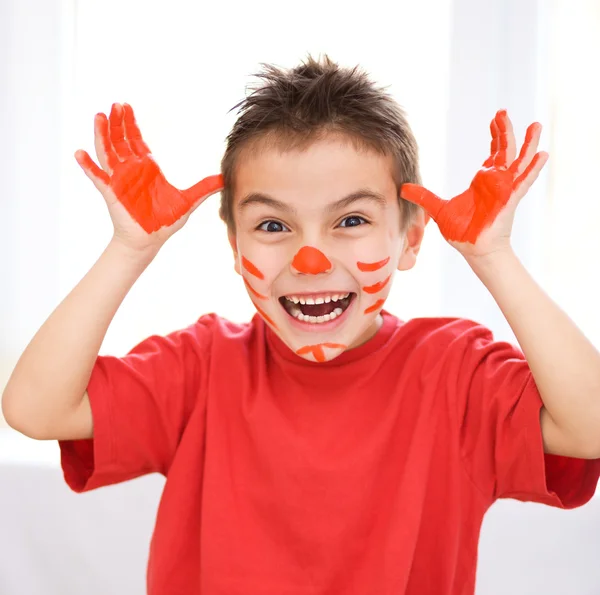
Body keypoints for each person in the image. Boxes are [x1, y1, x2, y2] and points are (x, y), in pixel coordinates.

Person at [3, 54, 600, 595]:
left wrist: (492, 256)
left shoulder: (453, 372)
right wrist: (128, 250)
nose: (309, 260)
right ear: (235, 248)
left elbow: (589, 426)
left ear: (410, 239)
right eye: (272, 226)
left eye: (350, 221)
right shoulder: (201, 367)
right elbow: (35, 408)